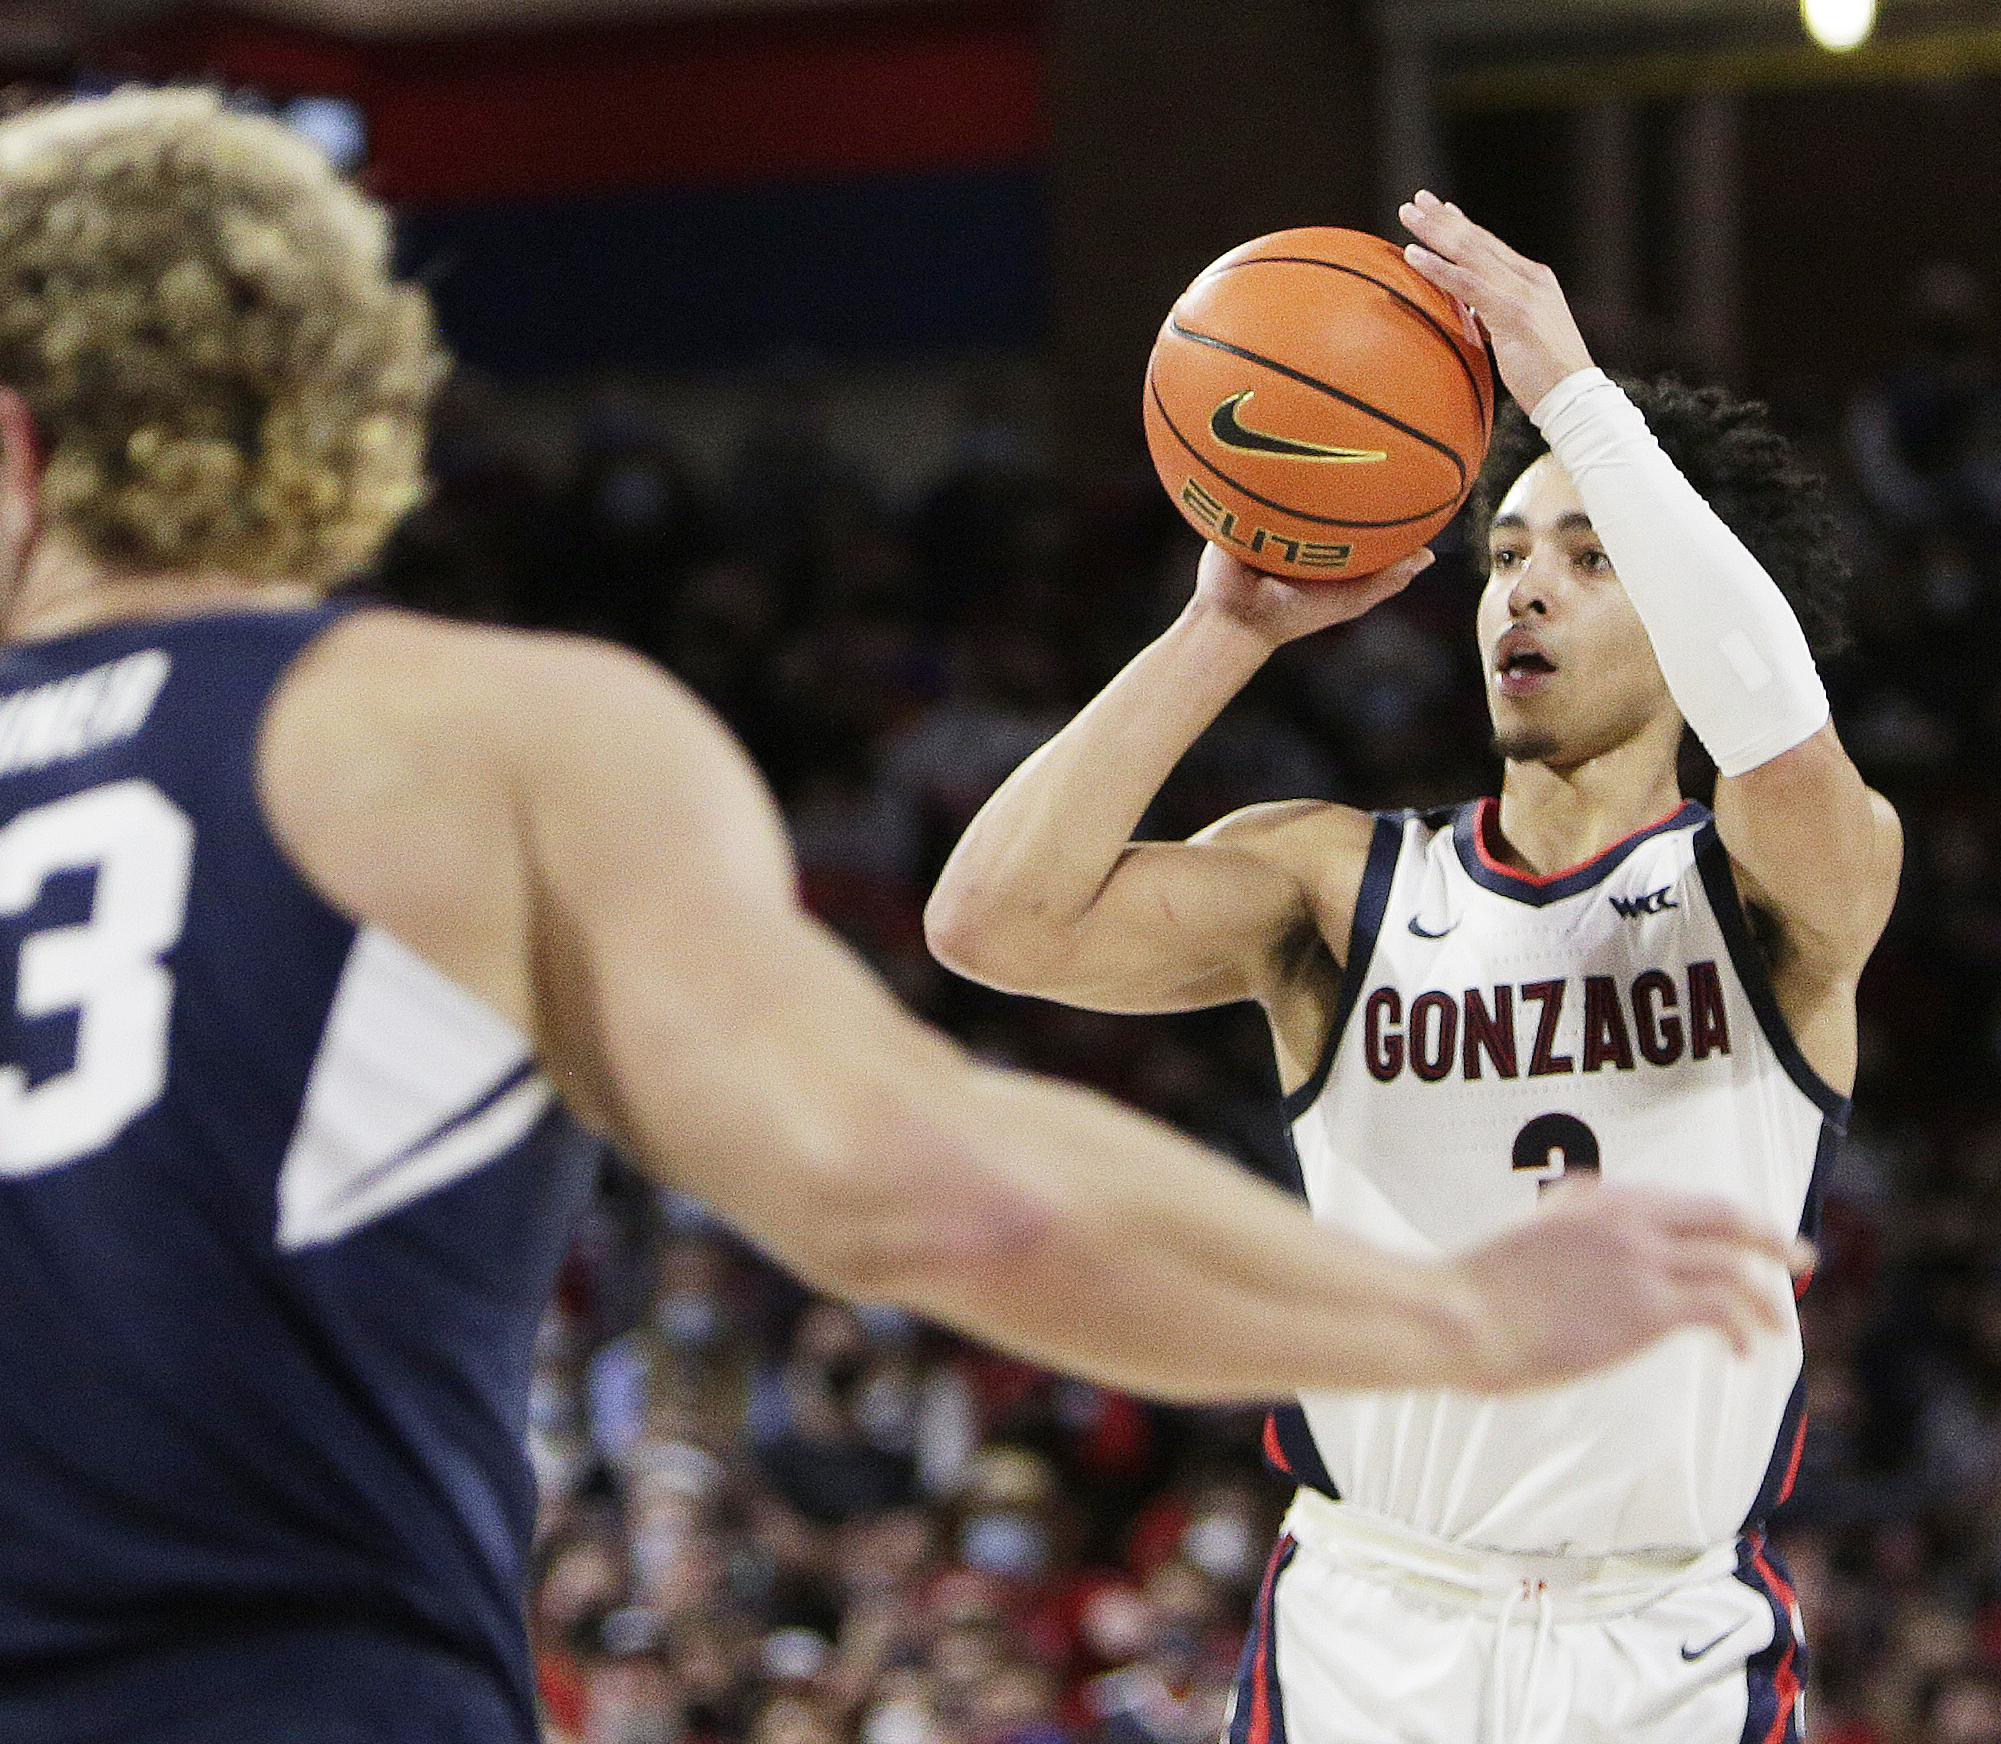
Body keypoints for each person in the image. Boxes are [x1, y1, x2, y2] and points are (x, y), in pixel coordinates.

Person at [0, 94, 1809, 1744]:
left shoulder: (1781, 859)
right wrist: (1454, 1325)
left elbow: (1790, 748)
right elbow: (934, 1180)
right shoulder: (473, 745)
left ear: (17, 441)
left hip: (1636, 1615)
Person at [928, 189, 1904, 1744]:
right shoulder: (1339, 880)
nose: (1520, 587)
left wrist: (1574, 397)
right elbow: (989, 925)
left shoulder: (1782, 887)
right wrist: (1222, 631)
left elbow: (1777, 721)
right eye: (1506, 550)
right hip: (1374, 1630)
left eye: (1589, 557)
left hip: (1659, 1645)